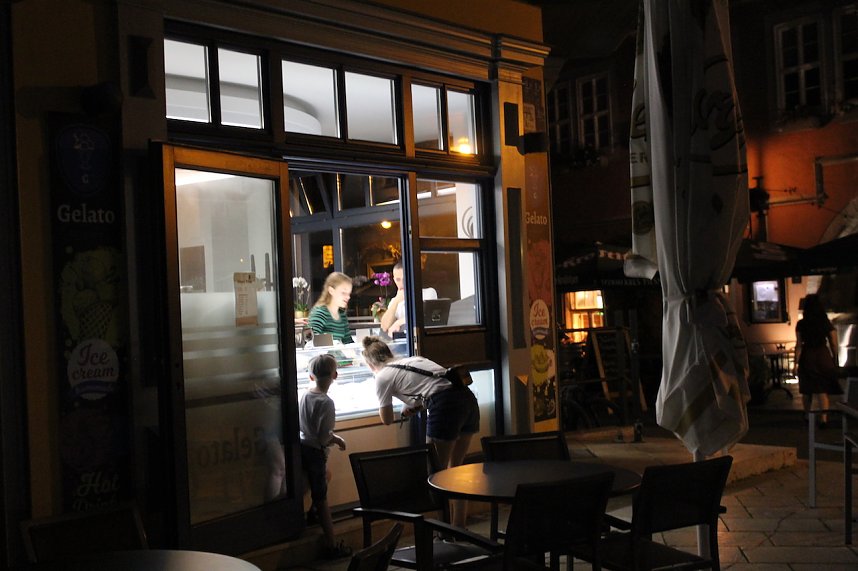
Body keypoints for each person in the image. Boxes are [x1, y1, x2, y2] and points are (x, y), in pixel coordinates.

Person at [361, 335, 478, 527]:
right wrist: (416, 407)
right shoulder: (415, 359)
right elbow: (436, 387)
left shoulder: (381, 376)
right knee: (456, 470)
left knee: (436, 474)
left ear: (369, 364)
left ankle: (445, 532)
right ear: (388, 353)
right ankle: (460, 527)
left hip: (445, 407)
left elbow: (387, 419)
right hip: (467, 399)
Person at [299, 354, 351, 559]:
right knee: (322, 498)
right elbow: (323, 437)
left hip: (303, 447)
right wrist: (338, 440)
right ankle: (331, 545)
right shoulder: (327, 403)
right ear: (335, 375)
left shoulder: (304, 395)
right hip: (315, 452)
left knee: (325, 476)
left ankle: (312, 514)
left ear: (311, 377)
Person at [793, 294, 842, 428]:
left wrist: (795, 363)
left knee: (807, 389)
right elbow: (833, 341)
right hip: (822, 355)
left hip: (807, 356)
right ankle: (824, 418)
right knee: (822, 389)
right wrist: (835, 358)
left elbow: (798, 345)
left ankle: (807, 415)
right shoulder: (825, 322)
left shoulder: (801, 324)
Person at [379, 261, 437, 336]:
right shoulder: (395, 301)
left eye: (404, 279)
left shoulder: (428, 293)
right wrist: (396, 301)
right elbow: (384, 326)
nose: (402, 284)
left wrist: (399, 322)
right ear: (394, 280)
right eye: (398, 280)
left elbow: (425, 317)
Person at [308, 272, 354, 344]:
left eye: (349, 294)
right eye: (343, 293)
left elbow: (348, 342)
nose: (348, 297)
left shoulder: (342, 315)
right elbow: (311, 341)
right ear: (331, 291)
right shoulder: (320, 313)